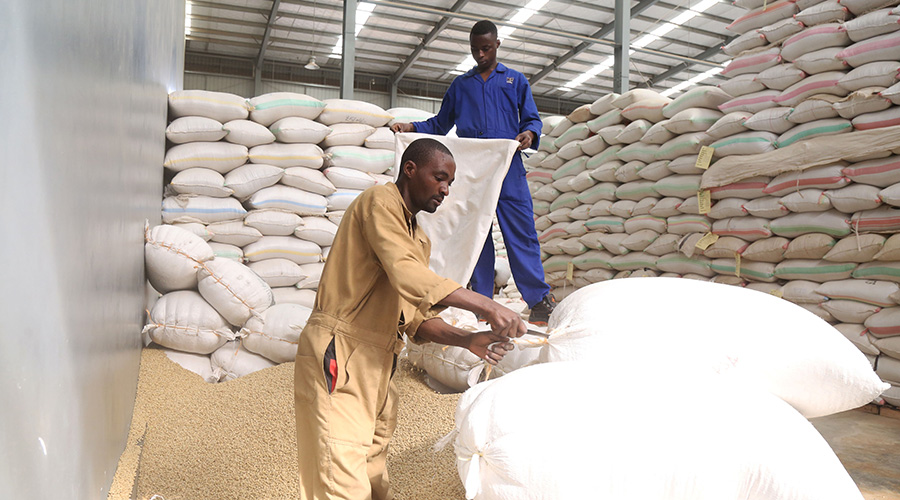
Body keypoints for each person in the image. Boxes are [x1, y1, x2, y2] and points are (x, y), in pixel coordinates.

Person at [294, 137, 526, 500]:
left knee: (372, 472)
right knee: (339, 473)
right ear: (410, 169)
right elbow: (408, 276)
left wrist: (467, 341)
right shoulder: (379, 203)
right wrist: (486, 305)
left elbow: (413, 319)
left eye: (450, 182)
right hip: (342, 349)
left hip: (380, 360)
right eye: (439, 178)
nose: (445, 190)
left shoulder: (416, 236)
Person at [391, 19, 556, 325]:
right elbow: (440, 124)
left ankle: (538, 299)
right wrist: (411, 127)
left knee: (520, 232)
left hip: (507, 166)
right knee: (475, 233)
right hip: (473, 169)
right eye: (475, 49)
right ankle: (481, 301)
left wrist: (529, 135)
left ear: (497, 45)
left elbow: (532, 120)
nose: (480, 55)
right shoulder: (461, 85)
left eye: (486, 48)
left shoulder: (515, 81)